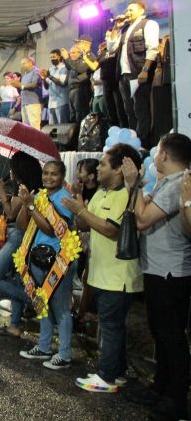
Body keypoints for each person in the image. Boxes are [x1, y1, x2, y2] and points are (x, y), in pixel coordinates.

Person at [61, 143, 142, 393]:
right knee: (111, 325)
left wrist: (81, 209)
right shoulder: (102, 193)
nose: (99, 168)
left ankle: (107, 377)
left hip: (118, 276)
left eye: (104, 164)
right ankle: (115, 373)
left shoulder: (124, 195)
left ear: (119, 170)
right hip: (101, 273)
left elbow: (111, 229)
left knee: (111, 326)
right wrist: (78, 204)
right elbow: (85, 224)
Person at [122, 133, 191, 420]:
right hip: (158, 268)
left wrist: (132, 183)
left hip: (171, 271)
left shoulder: (179, 184)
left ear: (163, 155)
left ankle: (176, 398)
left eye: (158, 151)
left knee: (171, 336)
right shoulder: (168, 183)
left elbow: (142, 219)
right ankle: (160, 387)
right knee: (160, 334)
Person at [17, 161, 76, 370]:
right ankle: (44, 346)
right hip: (37, 258)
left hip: (59, 261)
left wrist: (32, 206)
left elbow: (51, 229)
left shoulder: (65, 199)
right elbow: (22, 225)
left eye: (54, 174)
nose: (49, 178)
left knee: (60, 308)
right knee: (41, 304)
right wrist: (27, 204)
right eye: (45, 173)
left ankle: (65, 353)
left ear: (62, 177)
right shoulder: (40, 196)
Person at [0, 151, 43, 337]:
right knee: (18, 279)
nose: (10, 171)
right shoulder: (28, 187)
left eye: (12, 167)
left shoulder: (25, 188)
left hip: (19, 237)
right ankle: (15, 325)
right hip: (22, 236)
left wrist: (2, 193)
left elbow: (11, 213)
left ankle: (36, 301)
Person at [106, 0, 160, 143]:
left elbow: (152, 48)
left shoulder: (148, 24)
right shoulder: (124, 30)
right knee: (129, 110)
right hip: (124, 75)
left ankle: (144, 142)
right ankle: (133, 140)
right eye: (127, 10)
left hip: (138, 73)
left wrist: (145, 70)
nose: (127, 13)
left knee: (140, 109)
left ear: (141, 11)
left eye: (131, 10)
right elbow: (111, 48)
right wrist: (116, 28)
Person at [64, 36, 98, 124]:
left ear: (87, 44)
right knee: (73, 115)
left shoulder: (89, 56)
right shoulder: (81, 57)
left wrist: (67, 58)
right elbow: (69, 67)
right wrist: (66, 58)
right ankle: (74, 135)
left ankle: (80, 135)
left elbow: (80, 69)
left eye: (79, 43)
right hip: (73, 90)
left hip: (81, 89)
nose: (77, 44)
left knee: (81, 114)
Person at [43, 49, 70, 124]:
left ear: (59, 57)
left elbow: (62, 83)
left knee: (62, 127)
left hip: (61, 102)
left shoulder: (64, 68)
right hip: (51, 103)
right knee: (52, 128)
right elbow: (46, 87)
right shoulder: (50, 69)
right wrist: (44, 78)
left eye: (54, 57)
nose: (52, 59)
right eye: (51, 57)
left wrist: (49, 76)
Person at [16, 58, 43, 129]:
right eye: (21, 64)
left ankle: (37, 140)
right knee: (26, 127)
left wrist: (20, 85)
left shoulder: (36, 71)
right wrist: (17, 86)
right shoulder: (25, 75)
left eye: (23, 63)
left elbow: (34, 84)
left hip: (33, 102)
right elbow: (22, 88)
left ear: (30, 62)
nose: (22, 66)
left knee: (34, 126)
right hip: (24, 103)